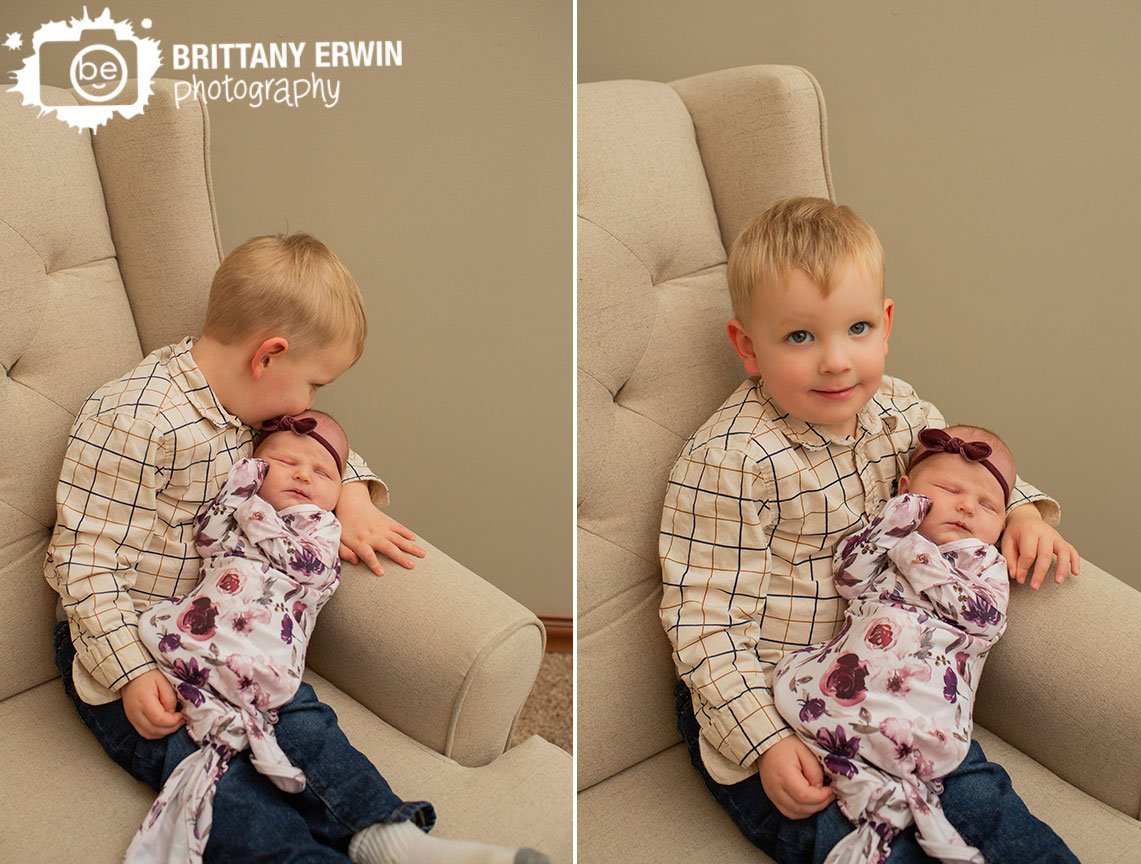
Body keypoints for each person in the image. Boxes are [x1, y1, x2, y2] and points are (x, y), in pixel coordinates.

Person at [46, 233, 547, 864]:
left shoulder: (256, 402)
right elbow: (83, 563)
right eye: (313, 383)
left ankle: (391, 840)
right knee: (223, 783)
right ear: (269, 356)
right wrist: (131, 674)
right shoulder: (133, 418)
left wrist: (355, 496)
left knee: (307, 726)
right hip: (132, 642)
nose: (311, 404)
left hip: (233, 637)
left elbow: (323, 446)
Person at [659, 197, 1080, 864]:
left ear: (885, 326)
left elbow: (965, 469)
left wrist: (1023, 510)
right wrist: (765, 743)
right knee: (863, 843)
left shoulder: (897, 410)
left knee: (981, 806)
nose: (836, 362)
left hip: (896, 683)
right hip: (783, 700)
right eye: (800, 337)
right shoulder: (730, 460)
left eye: (856, 328)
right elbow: (704, 625)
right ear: (748, 346)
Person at [773, 425, 1018, 864]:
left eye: (987, 506)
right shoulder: (888, 539)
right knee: (796, 688)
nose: (966, 506)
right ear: (907, 491)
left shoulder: (984, 562)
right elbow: (848, 577)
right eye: (948, 489)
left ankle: (890, 789)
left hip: (921, 707)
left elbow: (985, 621)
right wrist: (894, 522)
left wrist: (916, 556)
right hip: (854, 682)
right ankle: (873, 790)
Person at [125, 411, 349, 863]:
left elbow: (308, 567)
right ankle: (217, 725)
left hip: (266, 653)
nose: (304, 475)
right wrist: (240, 490)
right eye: (286, 463)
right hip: (210, 636)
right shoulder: (242, 507)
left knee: (304, 729)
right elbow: (208, 538)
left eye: (323, 473)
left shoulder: (319, 525)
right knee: (159, 635)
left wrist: (256, 514)